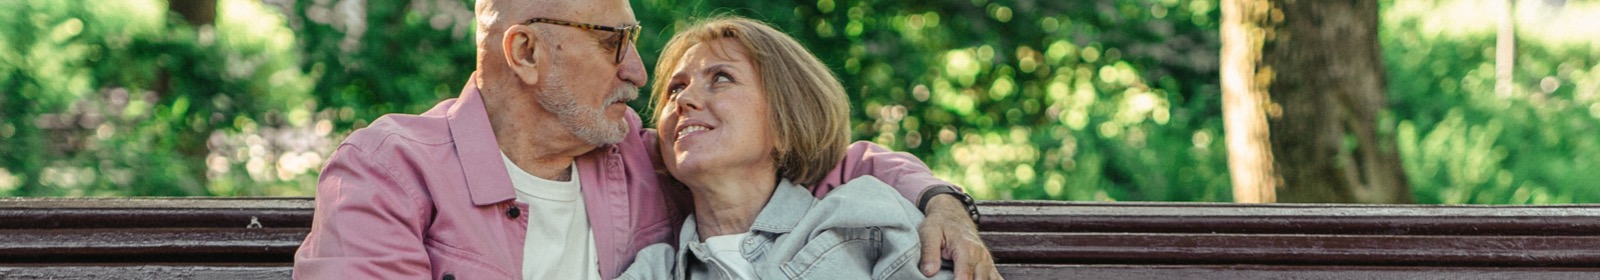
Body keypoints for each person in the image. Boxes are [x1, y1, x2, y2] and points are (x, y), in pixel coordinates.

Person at [292, 0, 1000, 279]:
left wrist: (941, 201)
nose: (639, 73)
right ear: (527, 53)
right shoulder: (389, 171)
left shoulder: (636, 149)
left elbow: (830, 156)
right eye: (615, 42)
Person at [618, 16, 955, 279]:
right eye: (675, 89)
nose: (685, 100)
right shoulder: (653, 271)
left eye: (721, 78)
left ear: (785, 118)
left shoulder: (865, 219)